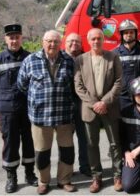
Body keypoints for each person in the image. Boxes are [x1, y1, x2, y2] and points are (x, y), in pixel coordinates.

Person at [17, 30, 76, 194]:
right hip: (40, 116)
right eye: (49, 41)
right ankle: (43, 181)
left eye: (56, 42)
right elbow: (21, 85)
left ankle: (64, 180)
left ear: (60, 43)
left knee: (67, 151)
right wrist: (37, 101)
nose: (52, 45)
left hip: (64, 115)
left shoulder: (68, 61)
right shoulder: (30, 60)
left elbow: (74, 86)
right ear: (43, 42)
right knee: (42, 153)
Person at [0, 24, 37, 193]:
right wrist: (4, 100)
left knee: (30, 141)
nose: (14, 40)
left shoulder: (30, 58)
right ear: (5, 39)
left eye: (17, 37)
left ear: (21, 38)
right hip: (7, 110)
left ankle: (30, 174)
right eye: (11, 37)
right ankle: (11, 177)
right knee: (10, 143)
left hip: (28, 108)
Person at [74, 28, 123, 193]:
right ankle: (97, 177)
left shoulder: (113, 57)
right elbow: (78, 86)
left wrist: (105, 102)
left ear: (103, 40)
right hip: (90, 109)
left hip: (110, 108)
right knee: (91, 144)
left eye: (99, 38)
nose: (96, 41)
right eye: (93, 39)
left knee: (115, 143)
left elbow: (118, 81)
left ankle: (117, 175)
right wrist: (95, 103)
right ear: (88, 41)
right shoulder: (80, 60)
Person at [64, 32, 91, 177]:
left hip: (82, 103)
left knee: (84, 137)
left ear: (81, 44)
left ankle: (85, 166)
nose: (74, 44)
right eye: (71, 41)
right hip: (64, 104)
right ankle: (67, 169)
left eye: (77, 41)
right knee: (66, 139)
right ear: (65, 43)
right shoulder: (60, 58)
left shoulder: (87, 59)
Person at [113, 19, 140, 111]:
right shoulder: (115, 54)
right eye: (125, 32)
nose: (129, 35)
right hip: (123, 97)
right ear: (121, 35)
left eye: (131, 32)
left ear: (136, 33)